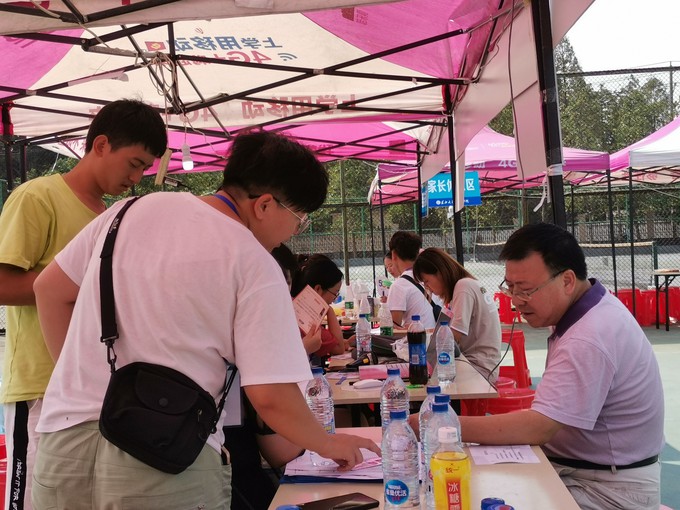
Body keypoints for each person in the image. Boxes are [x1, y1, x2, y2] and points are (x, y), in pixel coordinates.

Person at [31, 131, 379, 509]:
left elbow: (48, 290)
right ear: (265, 205)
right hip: (162, 459)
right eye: (299, 219)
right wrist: (328, 443)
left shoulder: (125, 212)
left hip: (62, 446)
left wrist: (78, 379)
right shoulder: (253, 261)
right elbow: (271, 396)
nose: (294, 233)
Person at [0, 98, 167, 510]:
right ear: (101, 145)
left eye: (145, 168)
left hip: (94, 392)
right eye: (134, 163)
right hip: (42, 388)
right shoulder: (37, 197)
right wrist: (79, 283)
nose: (137, 177)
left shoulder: (110, 215)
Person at [456, 223, 664, 510]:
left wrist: (447, 426)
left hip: (608, 490)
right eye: (510, 287)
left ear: (567, 280)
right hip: (584, 470)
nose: (516, 301)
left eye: (525, 290)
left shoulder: (589, 336)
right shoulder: (586, 309)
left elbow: (539, 428)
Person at [413, 247, 501, 380]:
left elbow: (452, 336)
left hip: (478, 368)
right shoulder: (465, 285)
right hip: (475, 363)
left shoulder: (463, 286)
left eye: (426, 281)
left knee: (424, 379)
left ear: (440, 272)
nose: (427, 288)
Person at [290, 254, 348, 358]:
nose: (334, 299)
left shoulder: (293, 304)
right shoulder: (306, 317)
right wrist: (329, 310)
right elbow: (339, 348)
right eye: (335, 293)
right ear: (318, 289)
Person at [386, 231, 436, 328]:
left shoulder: (399, 286)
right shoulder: (431, 278)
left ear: (394, 255)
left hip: (416, 336)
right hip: (436, 335)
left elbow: (393, 328)